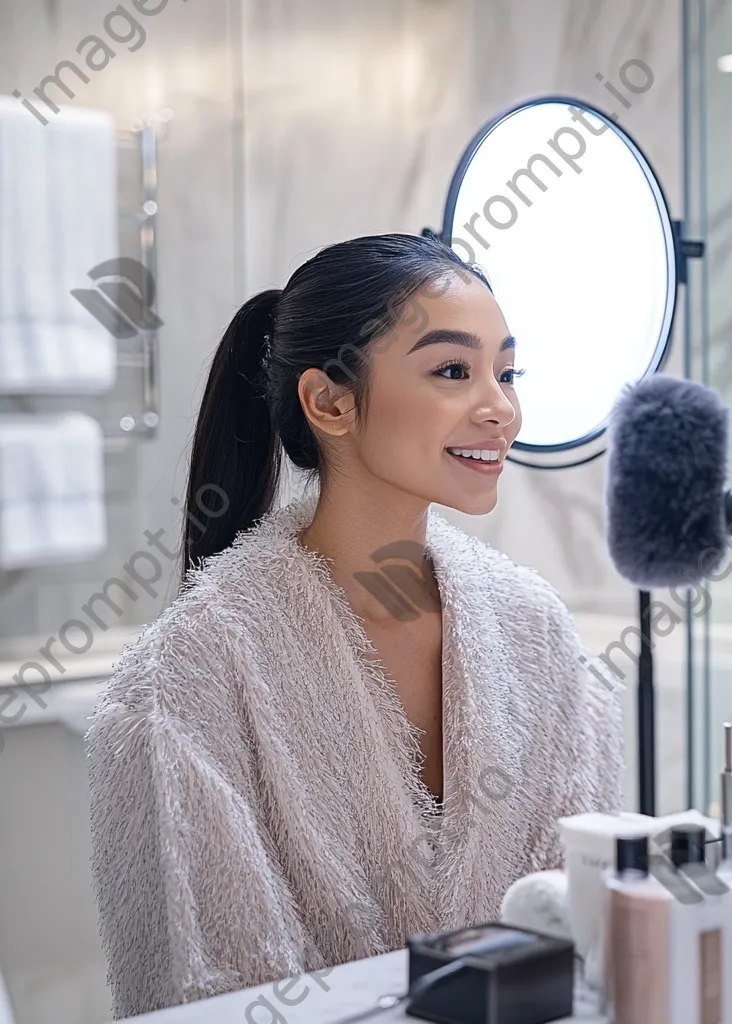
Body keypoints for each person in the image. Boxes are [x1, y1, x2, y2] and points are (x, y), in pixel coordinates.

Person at [85, 234, 624, 1017]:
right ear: (329, 401)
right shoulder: (193, 672)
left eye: (506, 374)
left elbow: (580, 910)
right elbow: (210, 990)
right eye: (452, 371)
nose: (500, 407)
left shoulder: (531, 630)